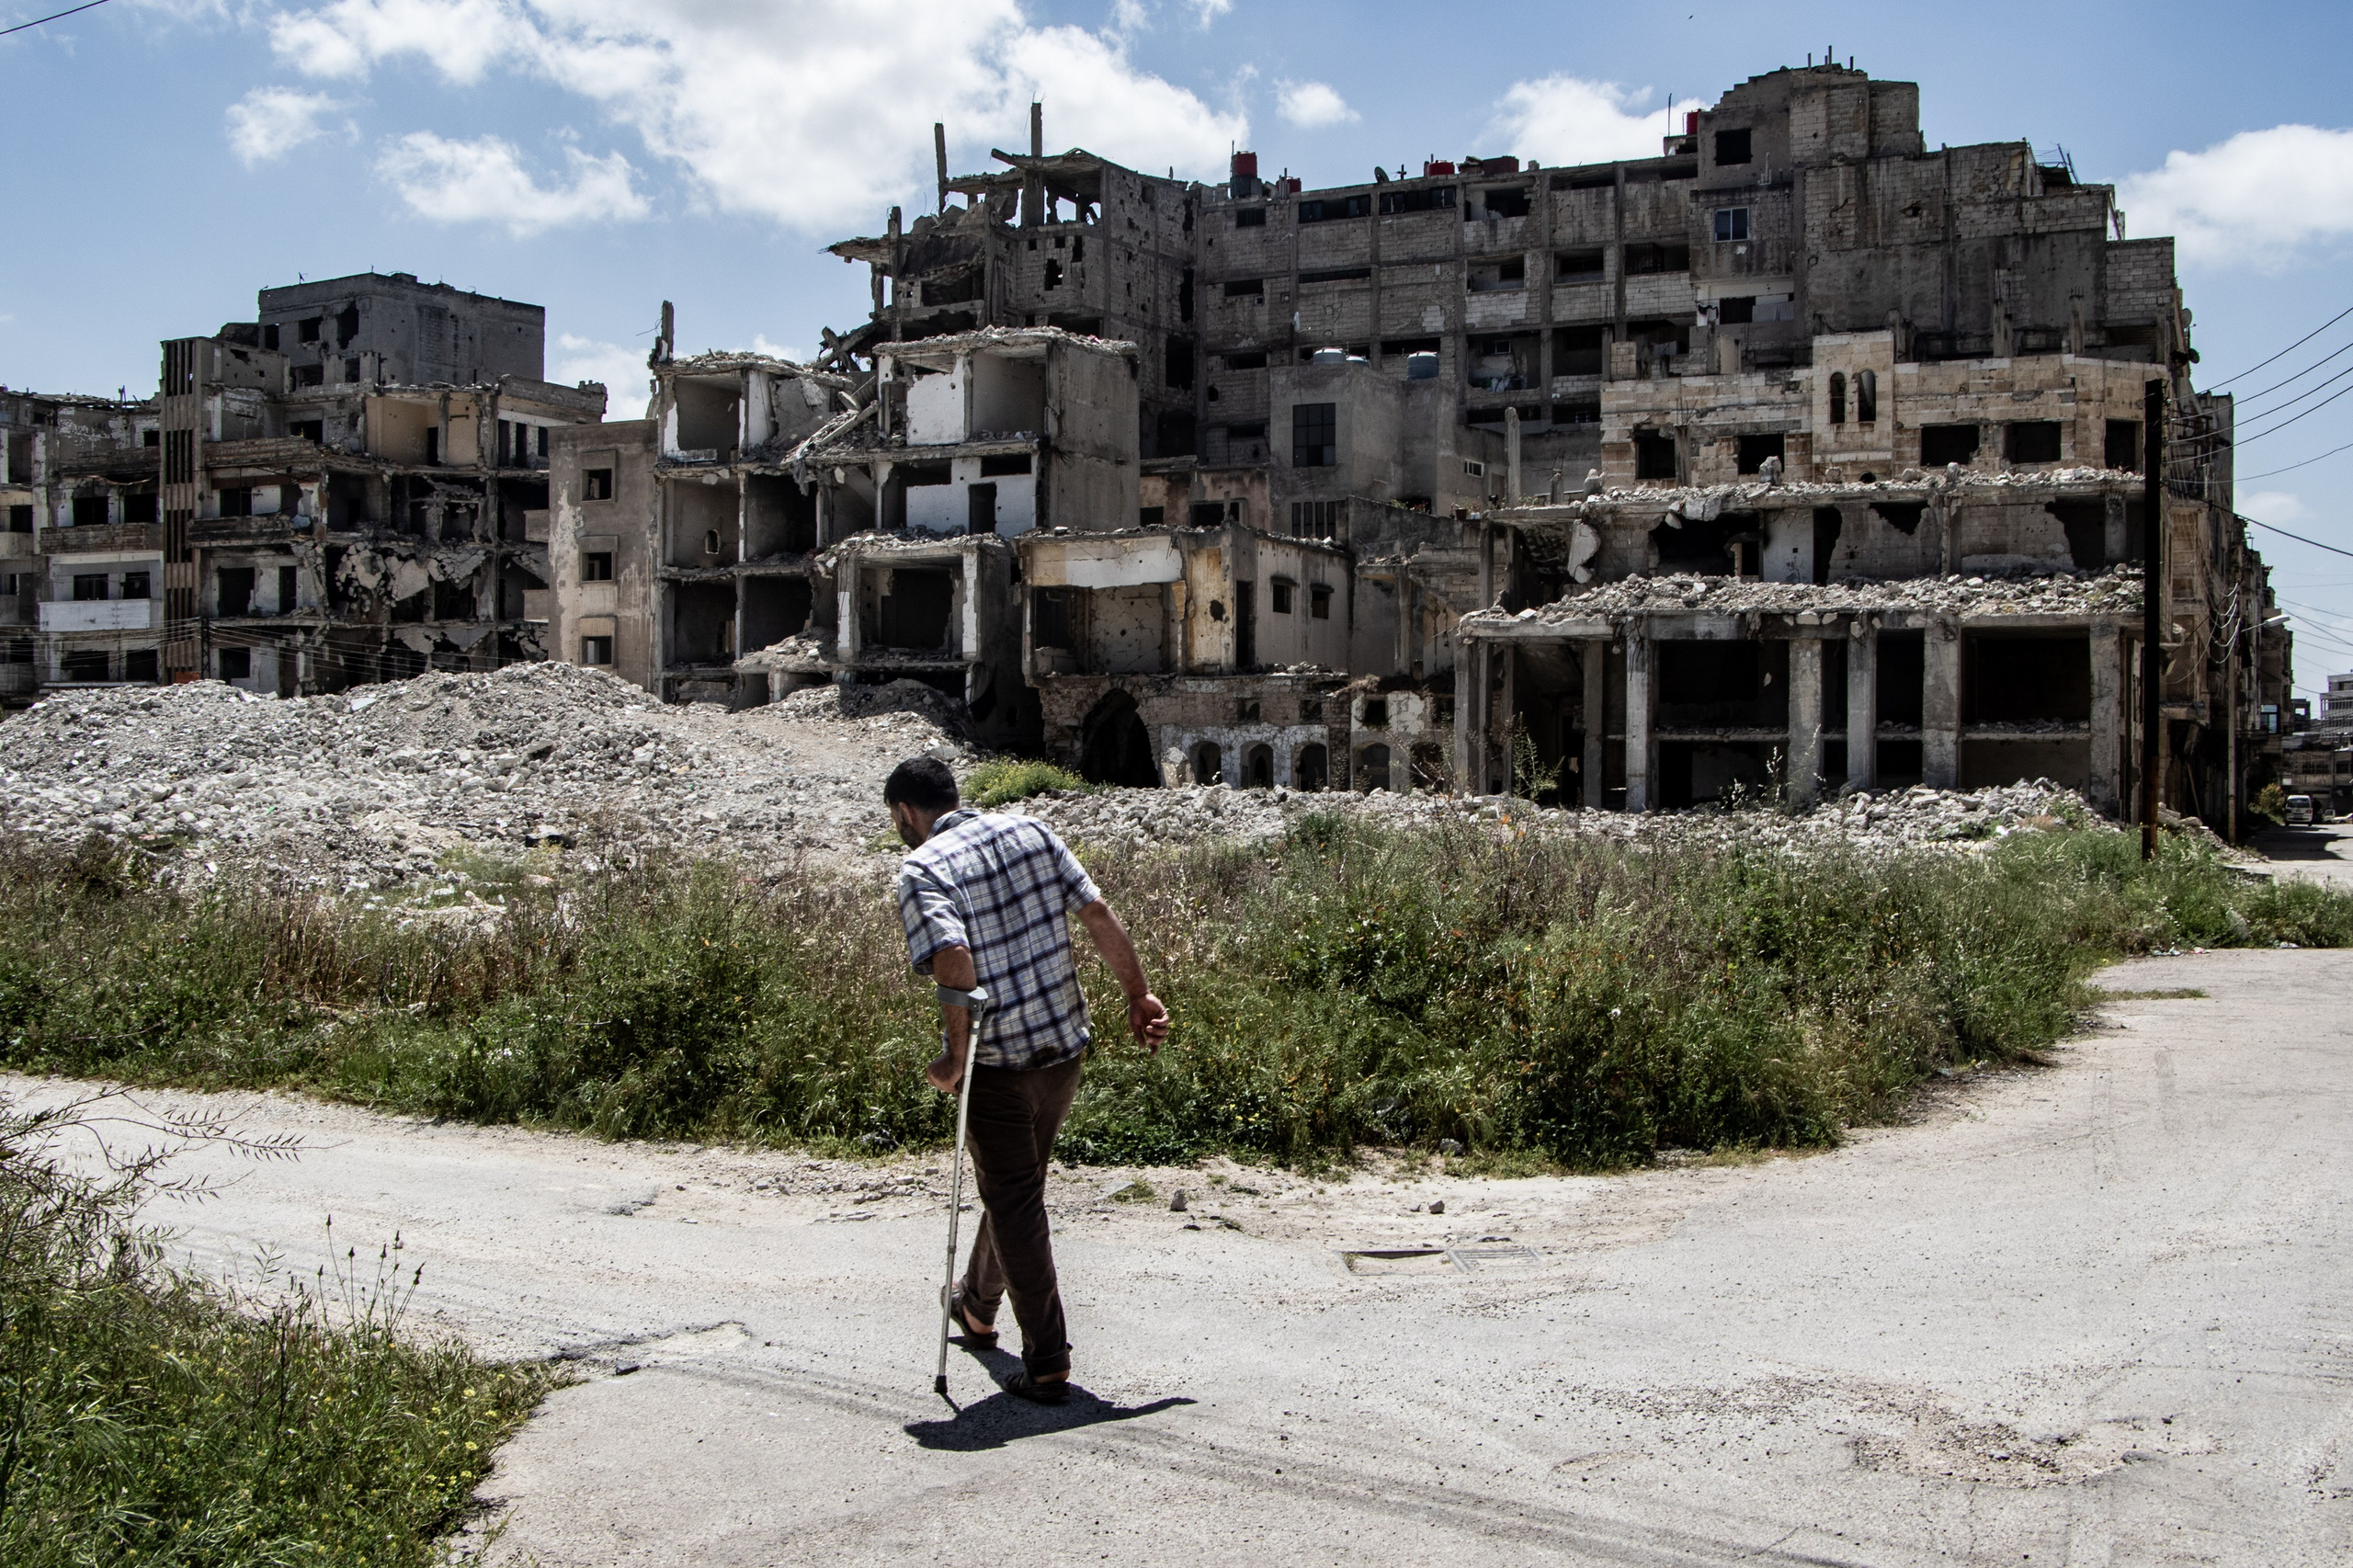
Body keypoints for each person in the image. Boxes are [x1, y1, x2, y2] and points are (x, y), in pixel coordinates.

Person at [888, 756, 1171, 1402]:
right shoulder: (1031, 832)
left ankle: (1047, 1360)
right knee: (1015, 1185)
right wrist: (1138, 995)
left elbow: (954, 959)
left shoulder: (923, 869)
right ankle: (976, 1307)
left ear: (907, 813)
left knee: (1016, 1201)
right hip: (1063, 1047)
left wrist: (956, 1058)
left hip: (998, 1063)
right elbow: (1095, 913)